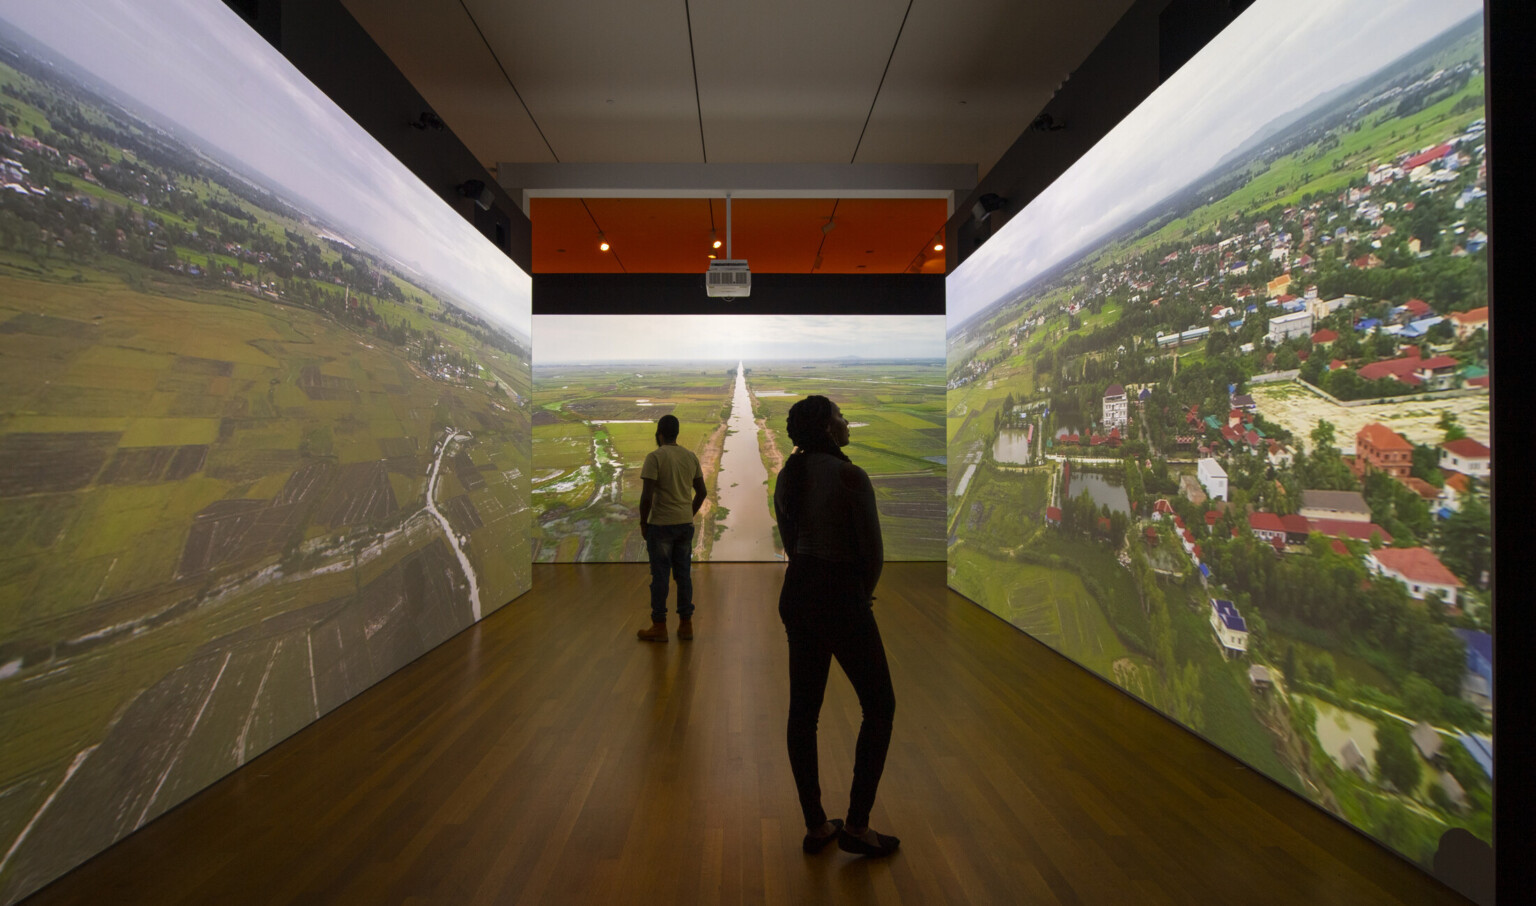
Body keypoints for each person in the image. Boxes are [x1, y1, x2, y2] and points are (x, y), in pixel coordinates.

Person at [773, 395, 899, 857]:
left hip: (798, 593)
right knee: (880, 706)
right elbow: (873, 555)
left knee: (803, 713)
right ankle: (858, 826)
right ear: (827, 428)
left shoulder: (789, 475)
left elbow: (791, 545)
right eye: (841, 416)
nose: (847, 422)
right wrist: (858, 598)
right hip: (840, 596)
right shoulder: (850, 476)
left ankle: (816, 825)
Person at [637, 413, 707, 642]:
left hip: (661, 526)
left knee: (660, 578)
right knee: (683, 576)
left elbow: (646, 496)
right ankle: (686, 625)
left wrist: (643, 522)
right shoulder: (690, 456)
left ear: (659, 433)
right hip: (684, 525)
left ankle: (659, 626)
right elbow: (702, 492)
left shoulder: (655, 457)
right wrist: (688, 513)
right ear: (677, 433)